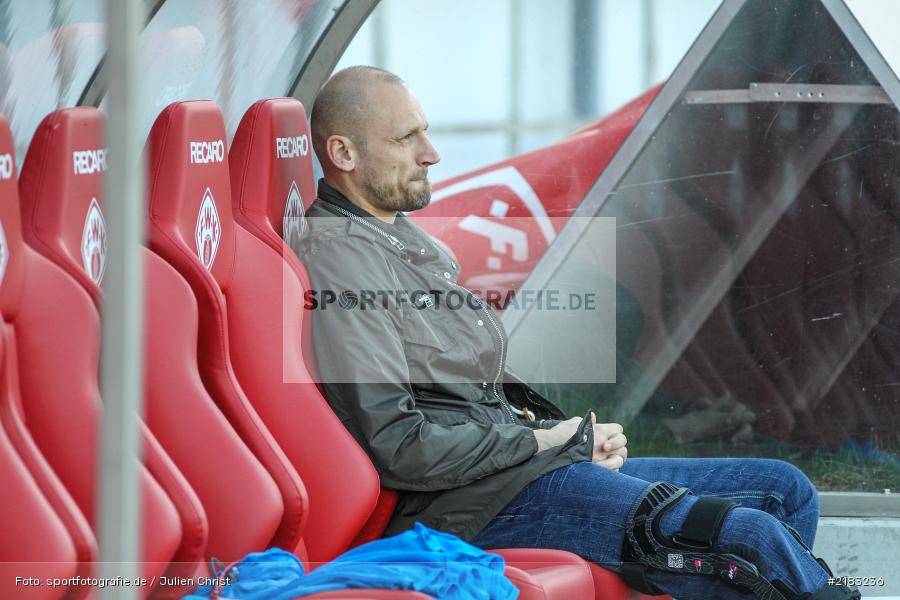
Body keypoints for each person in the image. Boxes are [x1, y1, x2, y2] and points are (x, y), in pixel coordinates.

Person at [297, 66, 858, 600]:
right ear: (344, 153)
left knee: (785, 489)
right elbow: (400, 445)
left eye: (426, 131)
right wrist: (545, 442)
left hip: (517, 472)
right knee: (748, 541)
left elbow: (469, 396)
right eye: (405, 139)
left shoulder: (397, 242)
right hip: (474, 504)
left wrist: (558, 432)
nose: (431, 153)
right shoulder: (344, 264)